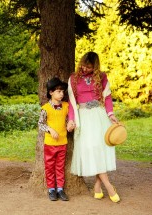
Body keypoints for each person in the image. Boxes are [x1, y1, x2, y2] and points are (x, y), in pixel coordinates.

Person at [67, 51, 121, 203]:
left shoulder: (102, 77)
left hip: (99, 115)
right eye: (83, 65)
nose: (85, 69)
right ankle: (109, 186)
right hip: (83, 117)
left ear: (95, 66)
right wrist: (71, 120)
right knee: (91, 148)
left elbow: (108, 97)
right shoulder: (73, 78)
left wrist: (110, 114)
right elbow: (72, 103)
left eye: (89, 67)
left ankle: (97, 187)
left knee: (100, 149)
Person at [38, 77, 69, 201]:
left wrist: (70, 125)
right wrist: (50, 129)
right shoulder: (46, 108)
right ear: (51, 92)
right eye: (58, 91)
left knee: (60, 167)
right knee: (50, 166)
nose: (61, 94)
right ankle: (51, 189)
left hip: (63, 142)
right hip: (50, 143)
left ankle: (60, 189)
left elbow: (69, 120)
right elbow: (40, 124)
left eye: (62, 92)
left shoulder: (66, 106)